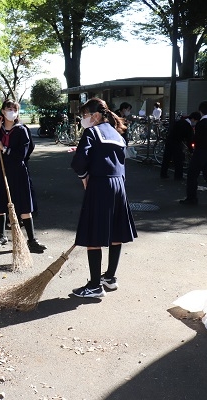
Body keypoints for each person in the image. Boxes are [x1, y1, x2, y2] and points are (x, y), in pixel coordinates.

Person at [70, 98, 137, 298]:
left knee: (94, 234)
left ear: (96, 115)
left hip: (100, 184)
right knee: (116, 232)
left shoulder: (92, 132)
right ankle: (110, 277)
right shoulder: (117, 134)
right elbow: (120, 161)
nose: (83, 119)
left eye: (85, 115)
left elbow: (79, 162)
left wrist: (84, 177)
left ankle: (94, 285)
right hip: (119, 185)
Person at [0, 99, 46, 253]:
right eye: (8, 108)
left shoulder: (21, 130)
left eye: (14, 109)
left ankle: (32, 240)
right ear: (3, 111)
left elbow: (21, 154)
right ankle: (1, 235)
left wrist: (4, 149)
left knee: (24, 204)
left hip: (17, 171)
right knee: (0, 203)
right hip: (1, 170)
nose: (11, 111)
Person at [179, 101, 207, 206]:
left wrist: (193, 147)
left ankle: (192, 198)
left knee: (192, 175)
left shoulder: (201, 124)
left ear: (200, 111)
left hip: (200, 152)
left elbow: (196, 139)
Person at [160, 111, 201, 180]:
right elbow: (189, 140)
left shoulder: (180, 121)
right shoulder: (188, 126)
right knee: (179, 160)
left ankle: (163, 173)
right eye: (196, 120)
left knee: (166, 158)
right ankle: (178, 176)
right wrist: (191, 150)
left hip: (169, 140)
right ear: (193, 119)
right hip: (177, 143)